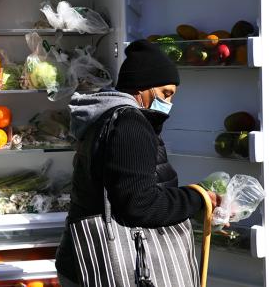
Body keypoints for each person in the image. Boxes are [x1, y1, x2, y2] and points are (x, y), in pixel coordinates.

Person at [55, 39, 221, 287]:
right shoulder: (130, 123)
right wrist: (198, 198)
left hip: (83, 262)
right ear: (142, 87)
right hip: (107, 267)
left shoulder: (103, 118)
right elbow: (139, 205)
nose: (169, 103)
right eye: (166, 93)